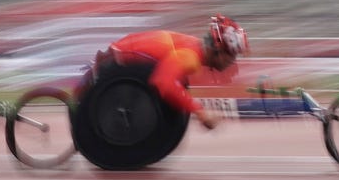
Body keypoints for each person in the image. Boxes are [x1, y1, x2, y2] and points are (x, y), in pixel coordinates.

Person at [96, 14, 246, 132]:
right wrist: (201, 112)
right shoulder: (190, 57)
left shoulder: (193, 46)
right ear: (219, 50)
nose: (232, 61)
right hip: (113, 72)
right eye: (232, 55)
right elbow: (163, 82)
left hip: (118, 66)